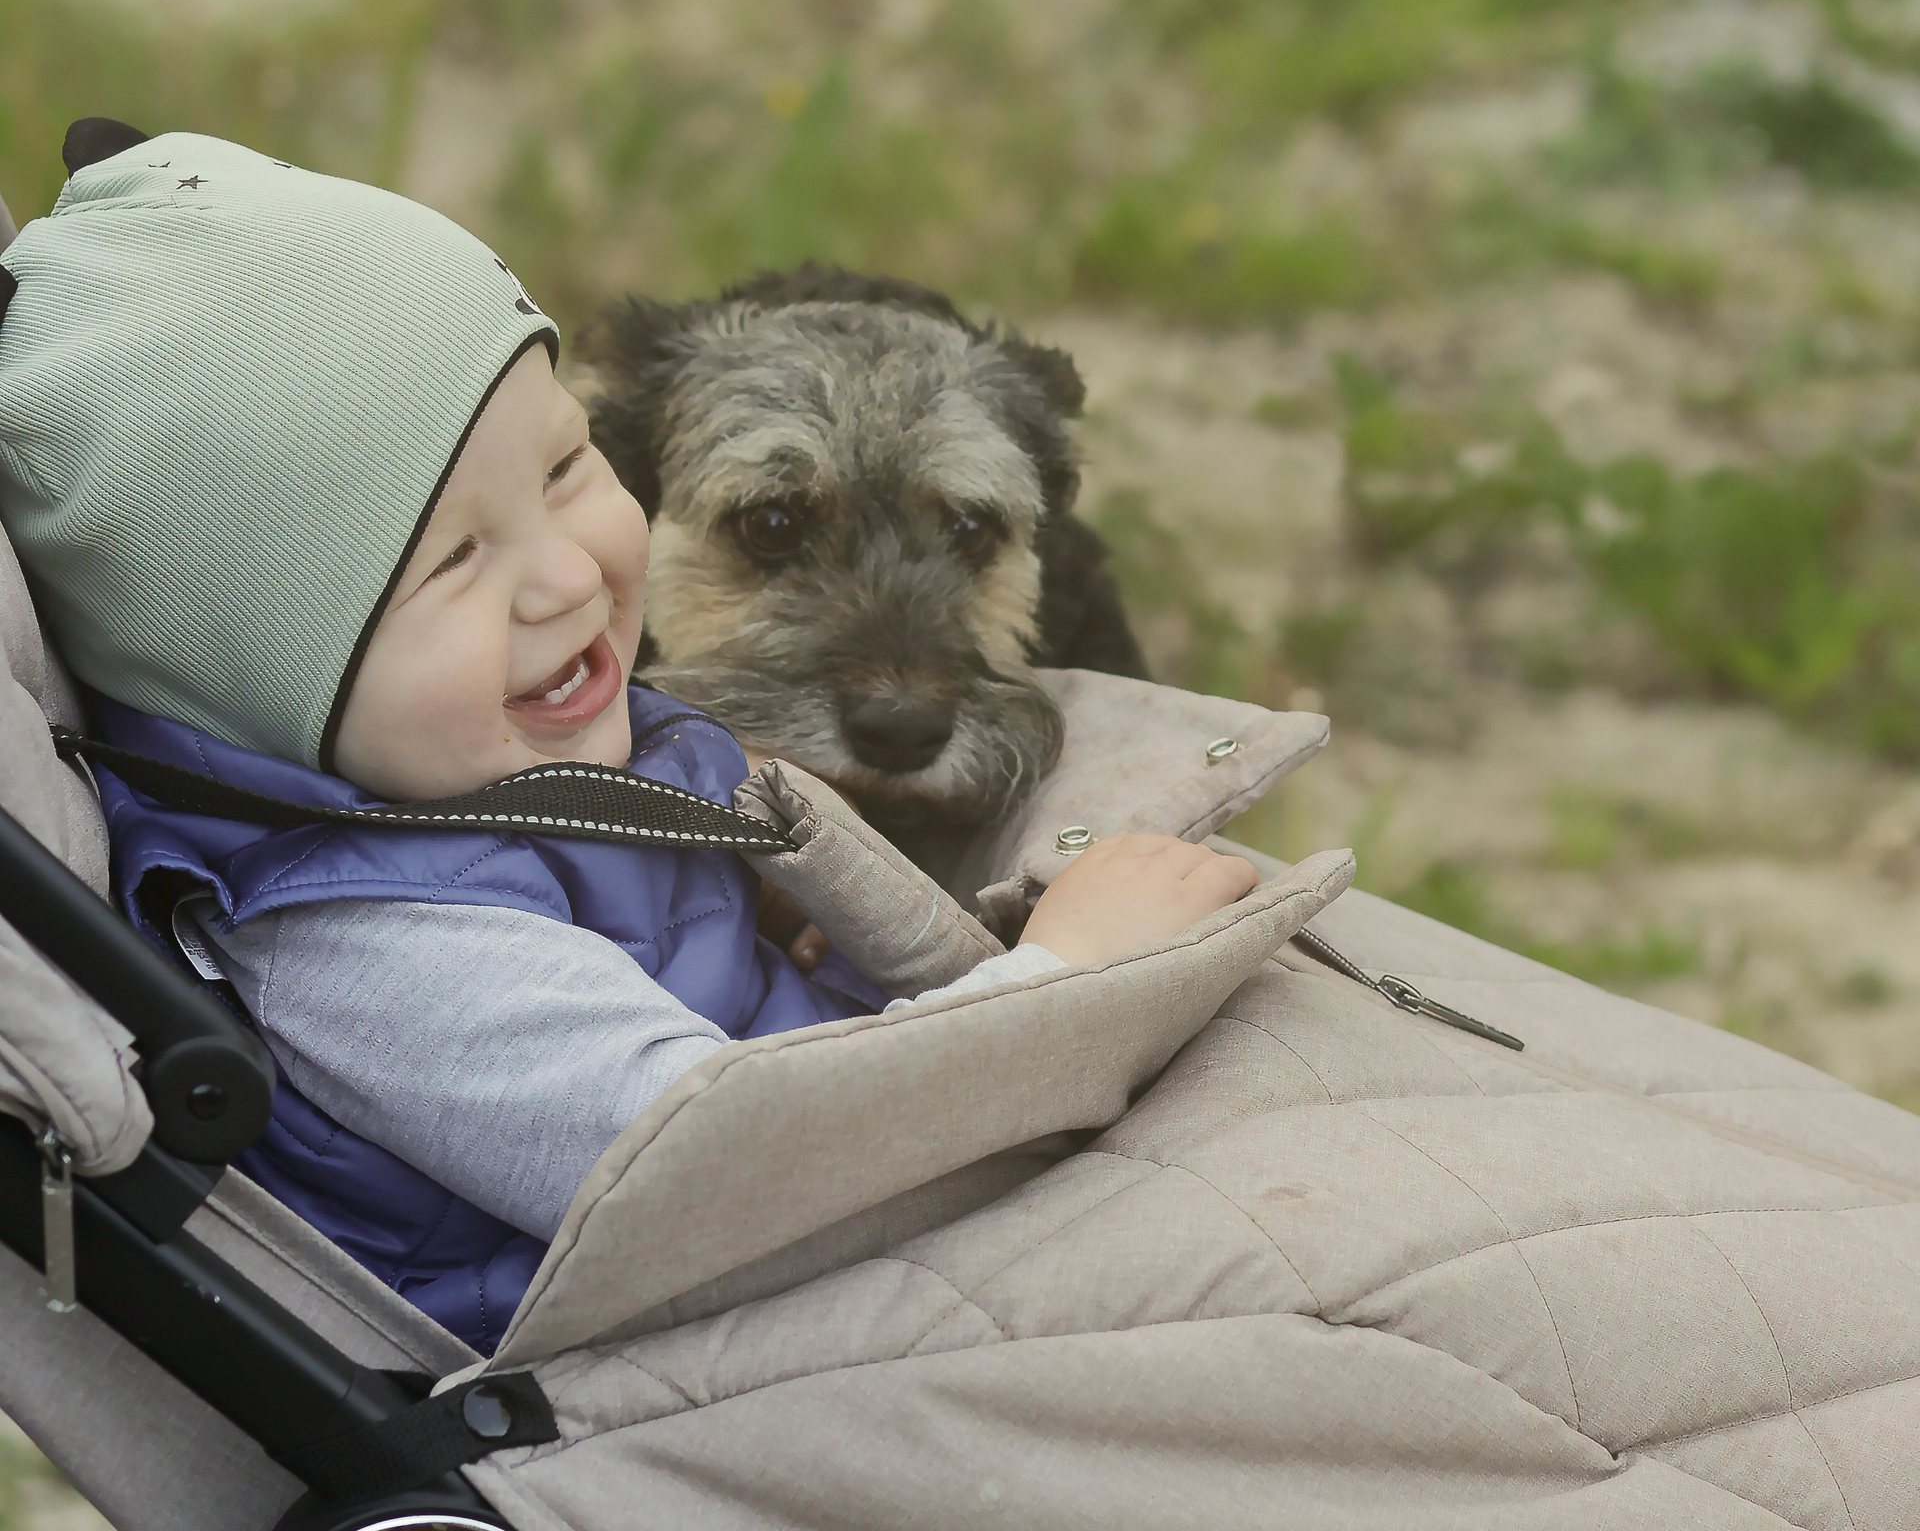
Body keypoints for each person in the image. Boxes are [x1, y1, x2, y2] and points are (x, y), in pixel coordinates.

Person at [0, 131, 1255, 1349]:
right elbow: (713, 1173)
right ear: (251, 660)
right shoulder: (372, 947)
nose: (565, 576)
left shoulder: (502, 751)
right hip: (739, 1357)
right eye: (450, 557)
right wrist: (1066, 980)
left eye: (561, 470)